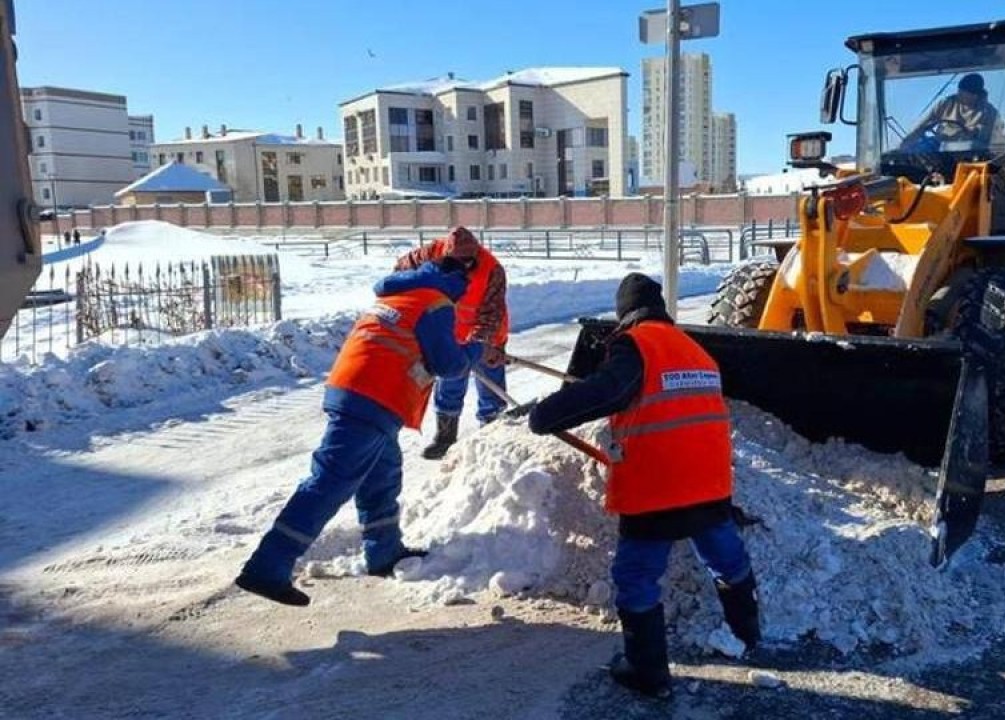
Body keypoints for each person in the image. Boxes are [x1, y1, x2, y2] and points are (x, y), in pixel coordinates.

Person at [526, 273, 760, 698]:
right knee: (725, 557)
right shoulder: (694, 350)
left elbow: (610, 391)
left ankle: (647, 673)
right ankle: (747, 634)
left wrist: (545, 415)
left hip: (658, 487)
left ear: (626, 315)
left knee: (636, 576)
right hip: (710, 482)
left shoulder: (636, 344)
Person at [235, 257, 471, 607]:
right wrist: (476, 349)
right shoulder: (436, 302)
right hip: (374, 397)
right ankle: (267, 568)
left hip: (357, 391)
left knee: (382, 475)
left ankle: (384, 552)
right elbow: (448, 363)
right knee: (329, 482)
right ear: (456, 280)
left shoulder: (400, 294)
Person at [394, 226, 510, 459]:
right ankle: (445, 438)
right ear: (447, 254)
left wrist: (478, 347)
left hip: (487, 334)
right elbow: (400, 272)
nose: (464, 267)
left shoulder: (492, 269)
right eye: (458, 262)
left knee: (490, 385)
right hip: (451, 333)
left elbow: (491, 314)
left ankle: (491, 434)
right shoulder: (430, 254)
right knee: (450, 381)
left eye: (469, 262)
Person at [901, 72, 1001, 149]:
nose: (958, 94)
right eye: (959, 91)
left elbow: (990, 138)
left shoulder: (989, 112)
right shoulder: (946, 103)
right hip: (939, 150)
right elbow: (923, 125)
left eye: (963, 92)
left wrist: (973, 132)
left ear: (975, 95)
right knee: (920, 148)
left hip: (969, 156)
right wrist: (904, 144)